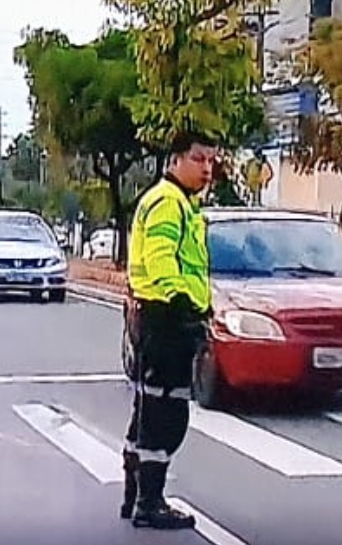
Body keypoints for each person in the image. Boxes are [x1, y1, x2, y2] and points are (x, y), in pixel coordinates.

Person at [120, 131, 217, 530]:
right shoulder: (167, 202)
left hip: (161, 317)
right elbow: (161, 260)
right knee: (165, 414)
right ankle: (149, 502)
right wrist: (182, 304)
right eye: (199, 159)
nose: (207, 169)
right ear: (175, 160)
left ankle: (134, 496)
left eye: (212, 161)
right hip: (165, 319)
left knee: (148, 409)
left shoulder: (181, 204)